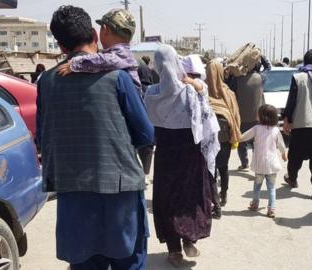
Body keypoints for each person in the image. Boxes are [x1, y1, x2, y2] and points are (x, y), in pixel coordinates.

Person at [37, 5, 153, 269]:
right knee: (129, 262)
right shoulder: (116, 76)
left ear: (60, 45)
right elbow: (146, 133)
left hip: (73, 196)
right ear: (93, 33)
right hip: (120, 194)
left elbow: (43, 136)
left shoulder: (46, 81)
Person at [144, 44, 220, 267]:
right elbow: (205, 103)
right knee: (190, 197)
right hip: (189, 155)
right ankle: (189, 238)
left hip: (166, 155)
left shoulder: (151, 93)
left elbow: (147, 123)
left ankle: (174, 250)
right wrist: (194, 82)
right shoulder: (188, 90)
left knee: (167, 200)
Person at [282, 50, 312, 200]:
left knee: (295, 155)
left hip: (301, 123)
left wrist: (287, 119)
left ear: (304, 62)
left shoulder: (298, 77)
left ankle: (292, 179)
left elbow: (291, 100)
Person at [57, 9, 141, 91]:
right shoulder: (125, 53)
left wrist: (76, 64)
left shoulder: (118, 54)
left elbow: (105, 60)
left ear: (105, 29)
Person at [205, 59, 242, 219]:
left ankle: (216, 204)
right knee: (223, 167)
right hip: (226, 135)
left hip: (208, 135)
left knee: (210, 170)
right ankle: (224, 195)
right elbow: (235, 115)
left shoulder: (202, 90)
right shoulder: (228, 92)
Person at [241, 104, 287, 218]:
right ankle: (271, 209)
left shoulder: (257, 128)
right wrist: (283, 154)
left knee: (257, 186)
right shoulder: (276, 130)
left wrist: (236, 137)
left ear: (262, 116)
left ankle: (255, 204)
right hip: (271, 164)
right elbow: (281, 145)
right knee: (271, 188)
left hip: (260, 164)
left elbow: (244, 137)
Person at [228, 55, 270, 171]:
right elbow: (268, 67)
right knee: (257, 144)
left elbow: (228, 81)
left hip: (241, 118)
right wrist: (260, 56)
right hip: (258, 118)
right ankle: (257, 166)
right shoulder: (260, 78)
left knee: (241, 142)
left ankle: (244, 163)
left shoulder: (236, 80)